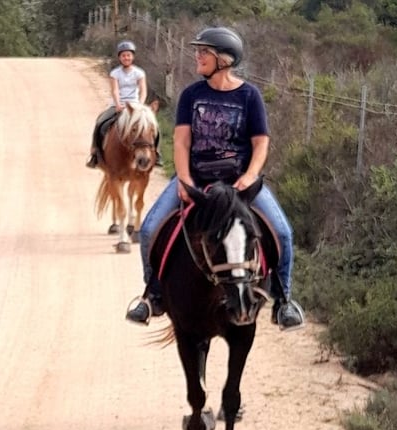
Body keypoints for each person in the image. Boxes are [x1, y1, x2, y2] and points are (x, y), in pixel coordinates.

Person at [124, 26, 305, 331]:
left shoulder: (250, 96)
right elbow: (181, 142)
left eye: (204, 52)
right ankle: (153, 295)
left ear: (224, 59)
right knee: (150, 228)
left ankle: (283, 301)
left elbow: (261, 143)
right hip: (196, 179)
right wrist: (184, 180)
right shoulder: (191, 95)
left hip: (239, 183)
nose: (198, 56)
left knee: (283, 233)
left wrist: (249, 177)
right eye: (199, 51)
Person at [86, 40, 163, 168]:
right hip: (118, 105)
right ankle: (95, 153)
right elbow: (115, 90)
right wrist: (117, 104)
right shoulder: (115, 73)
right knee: (101, 122)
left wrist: (140, 106)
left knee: (154, 127)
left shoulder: (139, 73)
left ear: (133, 56)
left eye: (128, 55)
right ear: (119, 57)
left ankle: (157, 154)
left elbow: (143, 91)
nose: (126, 58)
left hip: (136, 105)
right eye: (123, 55)